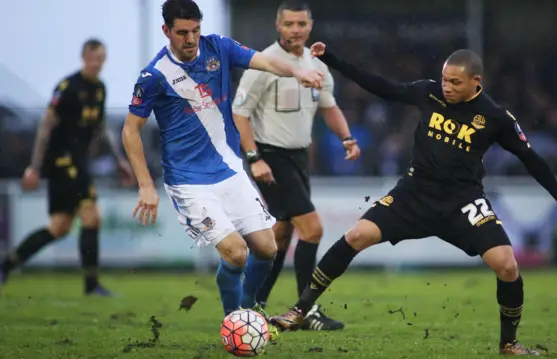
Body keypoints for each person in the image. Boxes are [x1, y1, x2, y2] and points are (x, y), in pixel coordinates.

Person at [269, 42, 557, 355]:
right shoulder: (428, 92)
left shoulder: (496, 117)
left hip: (463, 201)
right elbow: (382, 86)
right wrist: (333, 59)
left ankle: (509, 344)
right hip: (415, 192)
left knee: (507, 265)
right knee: (357, 235)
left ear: (475, 82)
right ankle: (300, 310)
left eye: (455, 82)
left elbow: (535, 162)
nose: (447, 87)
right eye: (444, 79)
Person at [121, 0, 324, 340]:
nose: (190, 39)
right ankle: (236, 325)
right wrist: (145, 184)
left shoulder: (219, 47)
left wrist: (299, 71)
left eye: (195, 31)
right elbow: (130, 131)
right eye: (182, 32)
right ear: (166, 31)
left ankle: (248, 314)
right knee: (234, 251)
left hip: (229, 169)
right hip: (189, 181)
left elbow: (266, 61)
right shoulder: (154, 76)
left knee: (268, 249)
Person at [232, 1, 358, 331]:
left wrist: (346, 137)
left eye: (301, 23)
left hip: (299, 158)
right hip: (271, 157)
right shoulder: (264, 63)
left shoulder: (316, 64)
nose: (295, 30)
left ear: (310, 26)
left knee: (280, 236)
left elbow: (329, 106)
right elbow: (240, 113)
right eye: (289, 24)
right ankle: (306, 311)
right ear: (278, 26)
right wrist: (254, 158)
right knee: (313, 229)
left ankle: (252, 305)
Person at [0, 39, 134, 296]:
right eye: (93, 58)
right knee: (91, 215)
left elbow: (102, 126)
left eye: (101, 59)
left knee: (59, 227)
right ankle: (91, 285)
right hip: (62, 162)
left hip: (78, 162)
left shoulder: (100, 89)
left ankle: (5, 265)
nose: (97, 63)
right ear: (84, 57)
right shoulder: (68, 87)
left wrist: (119, 159)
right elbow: (46, 125)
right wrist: (34, 167)